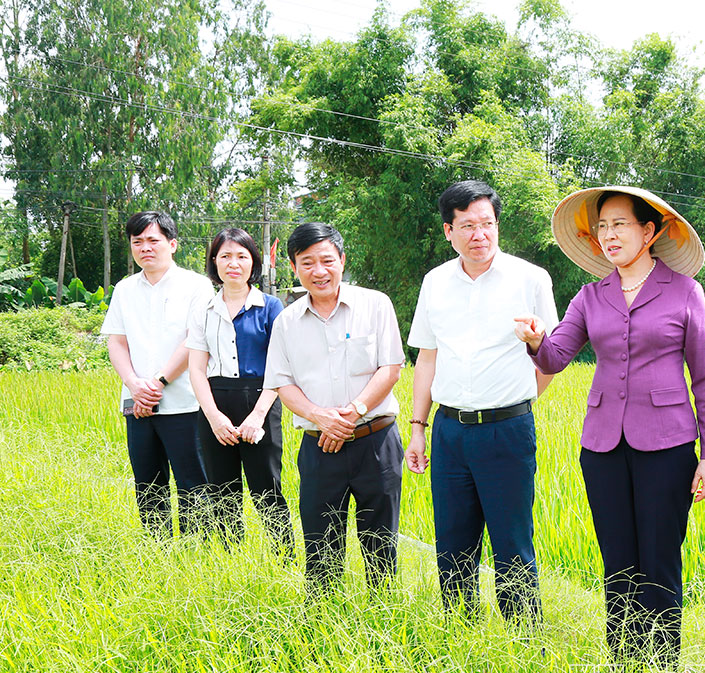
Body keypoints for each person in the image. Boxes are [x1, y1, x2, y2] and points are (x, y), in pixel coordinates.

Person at [515, 186, 705, 671]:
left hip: (667, 445)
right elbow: (556, 357)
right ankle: (624, 664)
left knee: (660, 556)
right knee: (618, 557)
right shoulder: (591, 296)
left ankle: (662, 670)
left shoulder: (684, 291)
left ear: (648, 232)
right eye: (602, 227)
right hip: (603, 446)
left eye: (619, 225)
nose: (609, 235)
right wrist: (536, 340)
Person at [406, 180, 558, 621]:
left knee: (512, 542)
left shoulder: (531, 279)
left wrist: (516, 401)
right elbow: (427, 358)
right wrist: (418, 428)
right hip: (449, 431)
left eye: (487, 224)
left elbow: (551, 356)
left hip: (507, 430)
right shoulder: (435, 282)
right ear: (449, 231)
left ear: (497, 225)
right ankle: (460, 631)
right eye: (468, 226)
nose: (480, 234)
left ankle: (524, 639)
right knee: (452, 543)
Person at [263, 223, 406, 594]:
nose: (319, 271)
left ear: (342, 260)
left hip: (376, 442)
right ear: (294, 267)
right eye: (307, 262)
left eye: (327, 260)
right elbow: (282, 383)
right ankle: (322, 619)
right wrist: (320, 417)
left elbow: (390, 368)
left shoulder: (376, 305)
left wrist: (350, 413)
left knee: (381, 546)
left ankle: (384, 615)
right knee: (320, 550)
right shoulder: (286, 322)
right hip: (319, 446)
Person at [101, 211, 214, 538]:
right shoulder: (125, 289)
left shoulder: (196, 286)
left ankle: (196, 552)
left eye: (153, 240)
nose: (145, 248)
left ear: (172, 244)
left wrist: (158, 381)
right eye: (137, 242)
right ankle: (157, 548)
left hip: (185, 402)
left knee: (193, 483)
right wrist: (134, 384)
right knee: (148, 483)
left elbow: (195, 340)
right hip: (138, 403)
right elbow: (116, 342)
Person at [186, 228, 292, 554]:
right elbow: (196, 369)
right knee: (221, 489)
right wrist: (214, 417)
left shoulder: (270, 307)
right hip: (215, 402)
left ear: (253, 262)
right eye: (225, 256)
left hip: (261, 399)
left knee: (267, 487)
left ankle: (284, 559)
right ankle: (230, 558)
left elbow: (280, 365)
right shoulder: (203, 309)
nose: (233, 263)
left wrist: (257, 416)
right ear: (214, 262)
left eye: (241, 256)